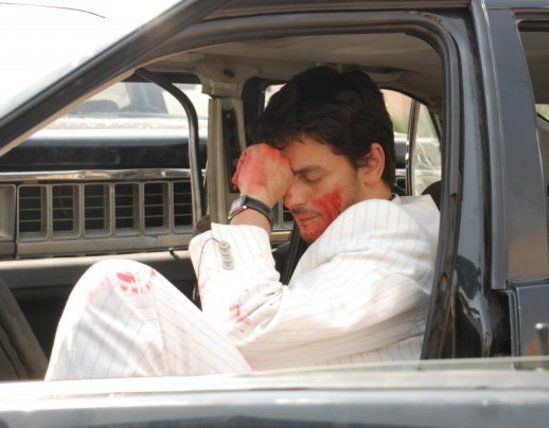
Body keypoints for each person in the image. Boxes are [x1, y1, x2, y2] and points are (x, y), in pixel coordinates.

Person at [45, 66, 440, 380]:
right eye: (285, 180)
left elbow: (247, 328)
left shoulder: (396, 233)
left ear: (370, 163)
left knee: (119, 291)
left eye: (311, 177)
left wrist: (254, 202)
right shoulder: (370, 230)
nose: (291, 198)